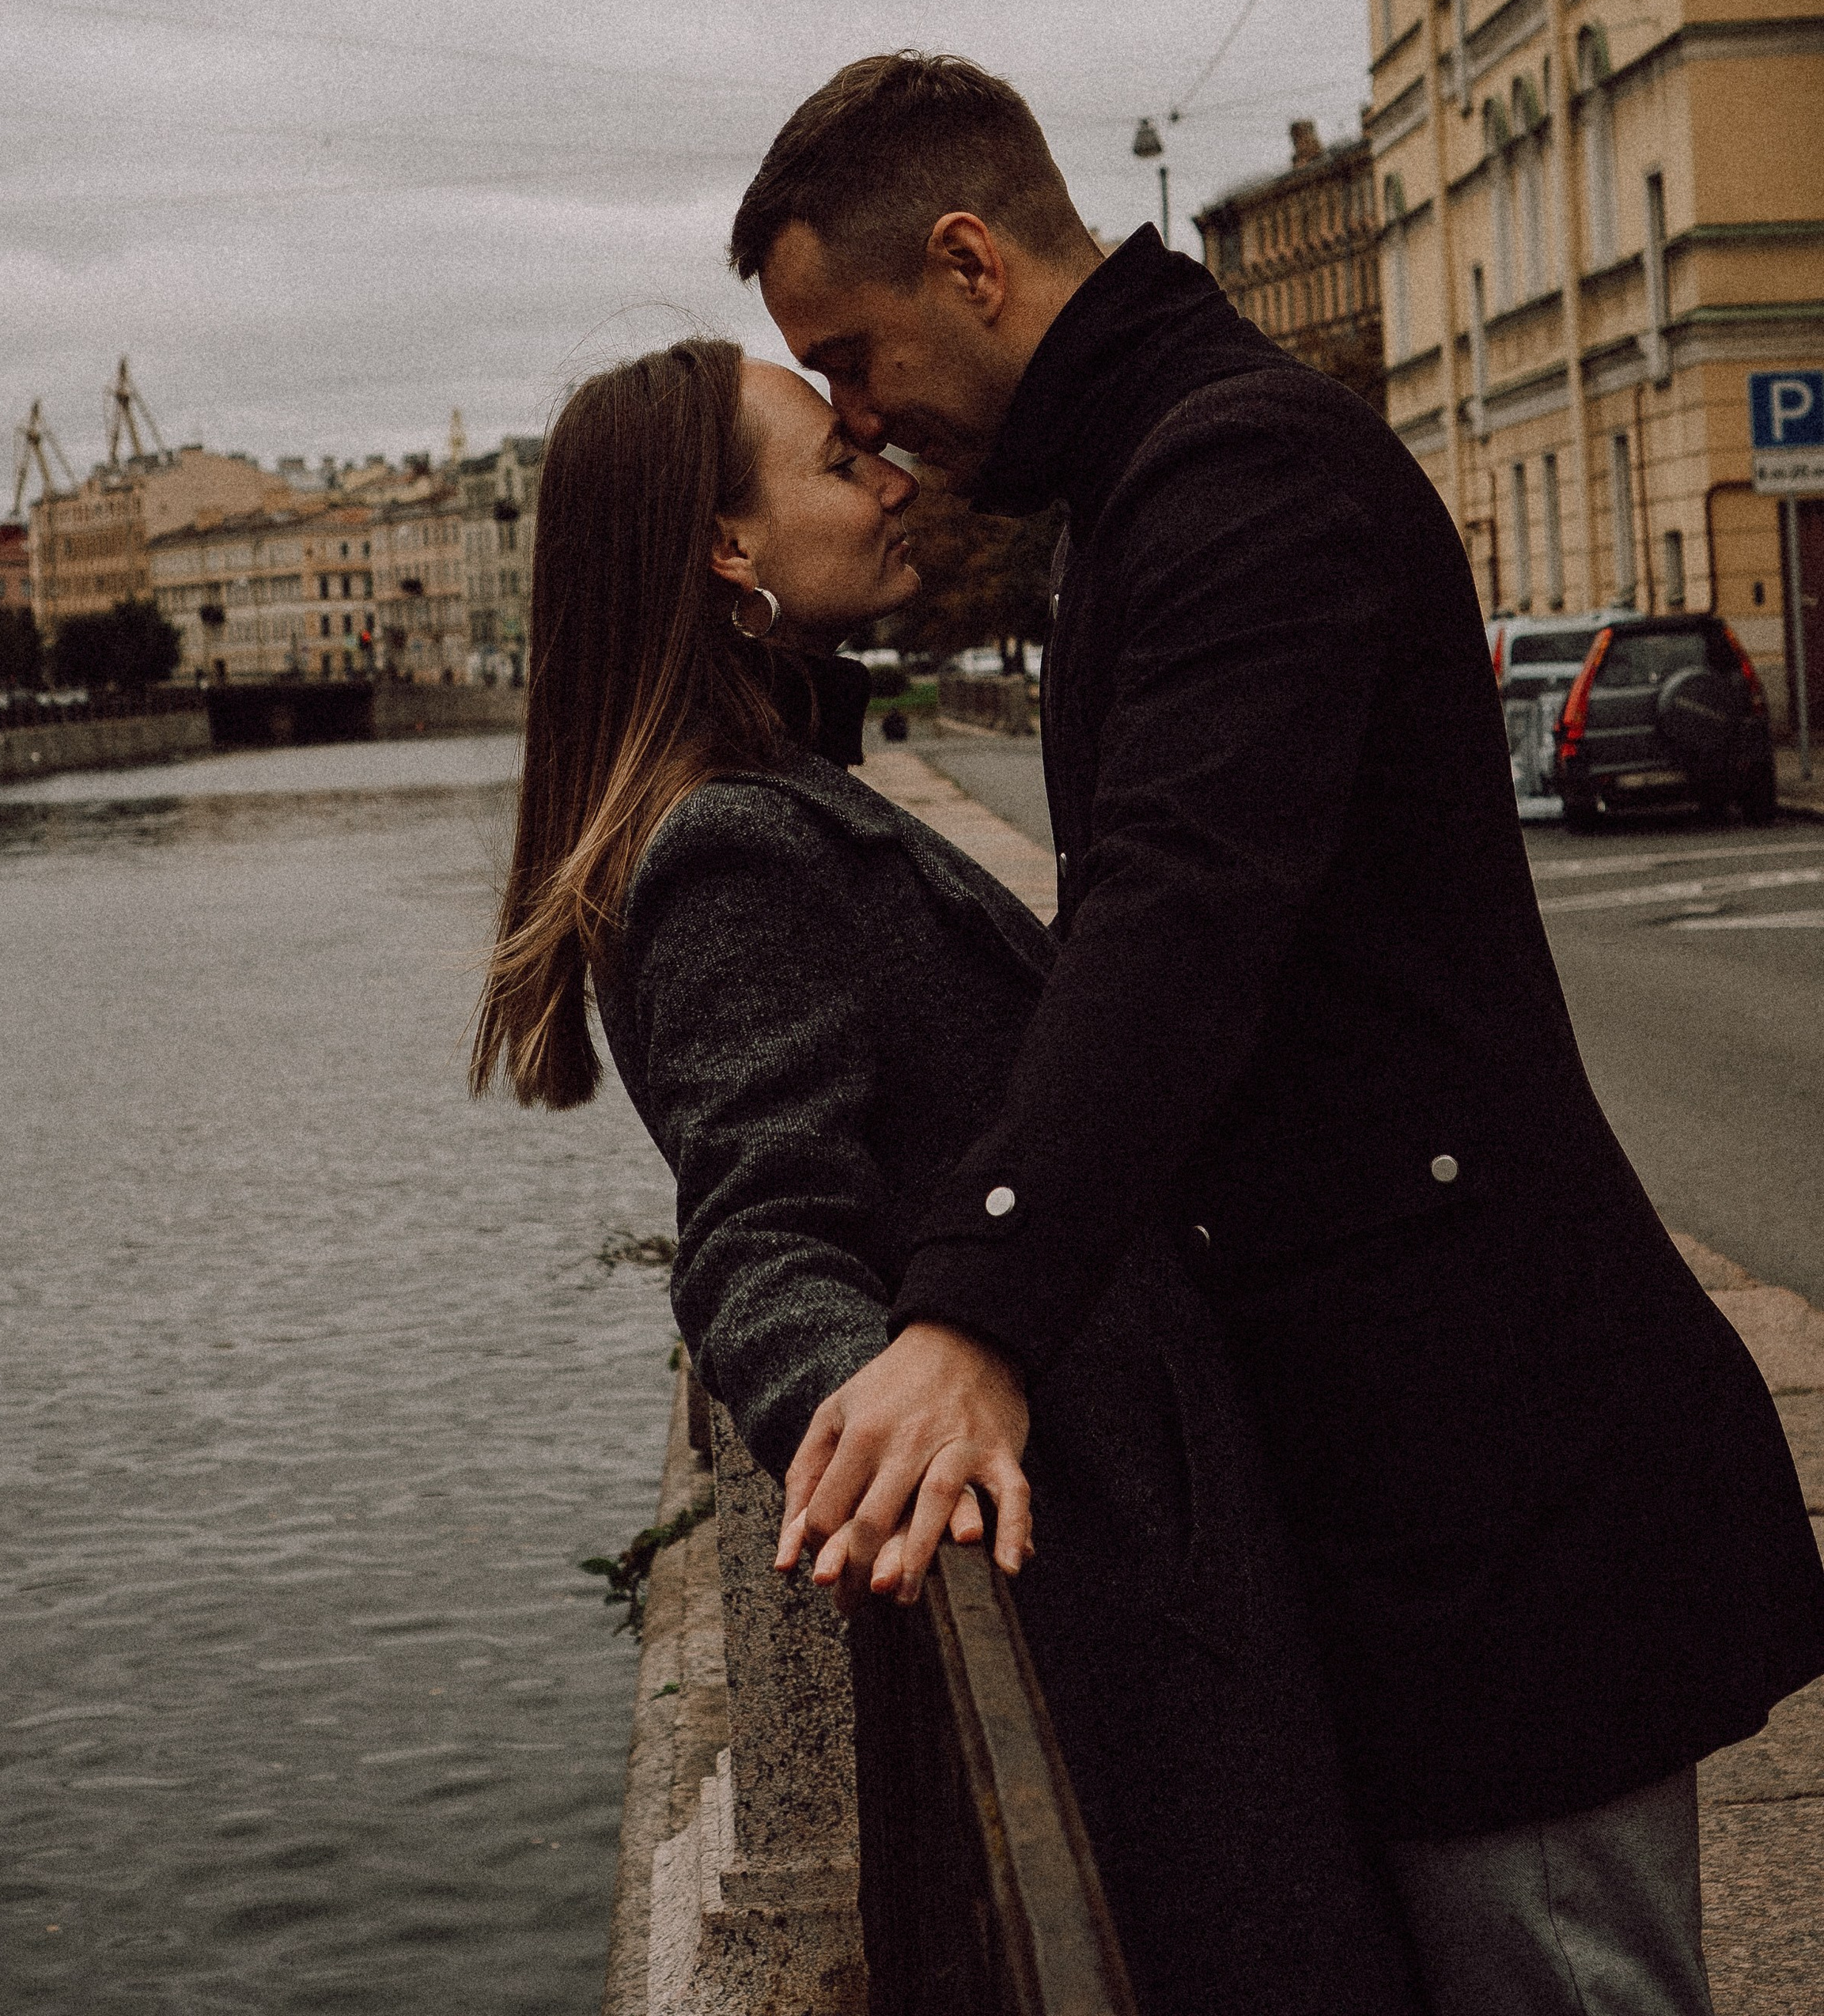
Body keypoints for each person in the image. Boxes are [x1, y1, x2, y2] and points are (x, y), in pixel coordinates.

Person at [727, 51, 1824, 2016]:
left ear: (967, 257)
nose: (859, 416)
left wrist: (970, 1315)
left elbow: (1181, 913)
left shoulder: (1235, 467)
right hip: (1406, 1472)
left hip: (1489, 1475)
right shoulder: (1153, 470)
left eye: (851, 351)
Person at [471, 336, 1420, 2016]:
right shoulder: (731, 851)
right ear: (726, 549)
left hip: (1134, 1540)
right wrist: (874, 1415)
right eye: (841, 463)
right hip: (1110, 1581)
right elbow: (758, 1234)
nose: (893, 475)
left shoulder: (779, 796)